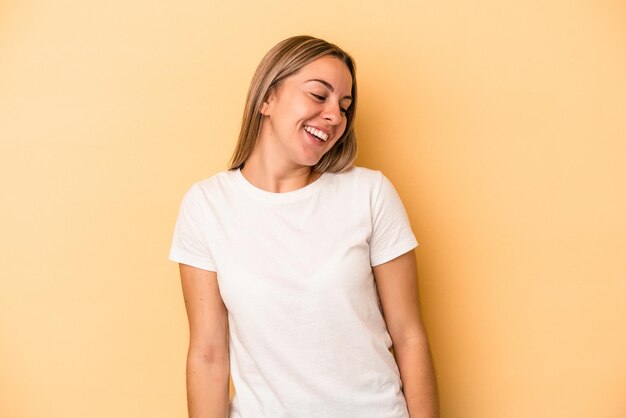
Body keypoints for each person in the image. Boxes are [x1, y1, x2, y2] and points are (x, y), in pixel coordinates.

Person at [169, 35, 439, 418]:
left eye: (345, 107)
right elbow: (208, 354)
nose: (335, 116)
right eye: (318, 95)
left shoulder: (369, 193)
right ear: (267, 98)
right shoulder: (207, 205)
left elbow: (409, 336)